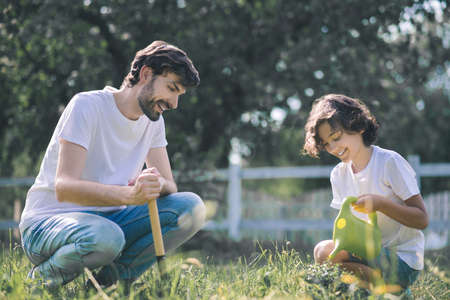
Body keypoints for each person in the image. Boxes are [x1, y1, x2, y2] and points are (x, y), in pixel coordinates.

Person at [19, 40, 206, 288]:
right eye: (171, 88)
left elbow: (169, 186)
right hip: (47, 224)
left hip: (108, 224)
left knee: (192, 207)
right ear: (146, 74)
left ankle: (107, 285)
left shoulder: (153, 122)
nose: (174, 103)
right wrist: (129, 195)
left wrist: (155, 183)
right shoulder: (87, 106)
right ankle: (41, 281)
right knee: (108, 237)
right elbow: (65, 187)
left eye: (179, 95)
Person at [302, 94, 428, 290]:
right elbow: (345, 231)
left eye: (336, 137)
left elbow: (422, 220)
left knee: (337, 266)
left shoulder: (388, 162)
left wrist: (380, 204)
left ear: (358, 126)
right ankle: (372, 290)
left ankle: (397, 290)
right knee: (322, 251)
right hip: (366, 253)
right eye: (326, 144)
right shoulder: (339, 174)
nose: (333, 148)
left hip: (402, 260)